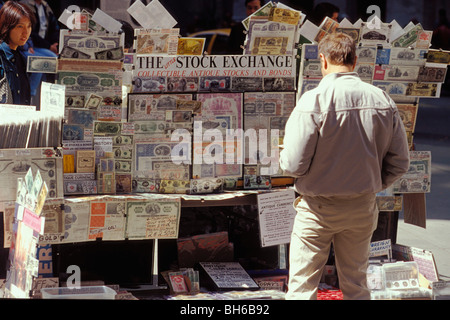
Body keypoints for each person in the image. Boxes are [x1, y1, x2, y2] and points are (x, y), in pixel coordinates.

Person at [280, 32, 410, 300]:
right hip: (362, 205)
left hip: (318, 208)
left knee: (302, 288)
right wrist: (371, 183)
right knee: (357, 284)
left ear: (323, 61)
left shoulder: (312, 101)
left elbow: (293, 164)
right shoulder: (382, 100)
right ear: (355, 61)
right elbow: (400, 163)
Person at [19, 0, 59, 102]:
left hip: (39, 45)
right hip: (28, 46)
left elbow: (54, 27)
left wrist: (54, 44)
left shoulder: (45, 6)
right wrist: (28, 44)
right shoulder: (25, 5)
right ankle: (30, 95)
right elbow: (29, 32)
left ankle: (48, 94)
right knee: (38, 64)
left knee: (55, 60)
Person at [0, 1, 35, 105]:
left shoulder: (21, 59)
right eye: (20, 26)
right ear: (7, 27)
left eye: (29, 26)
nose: (26, 32)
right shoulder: (2, 56)